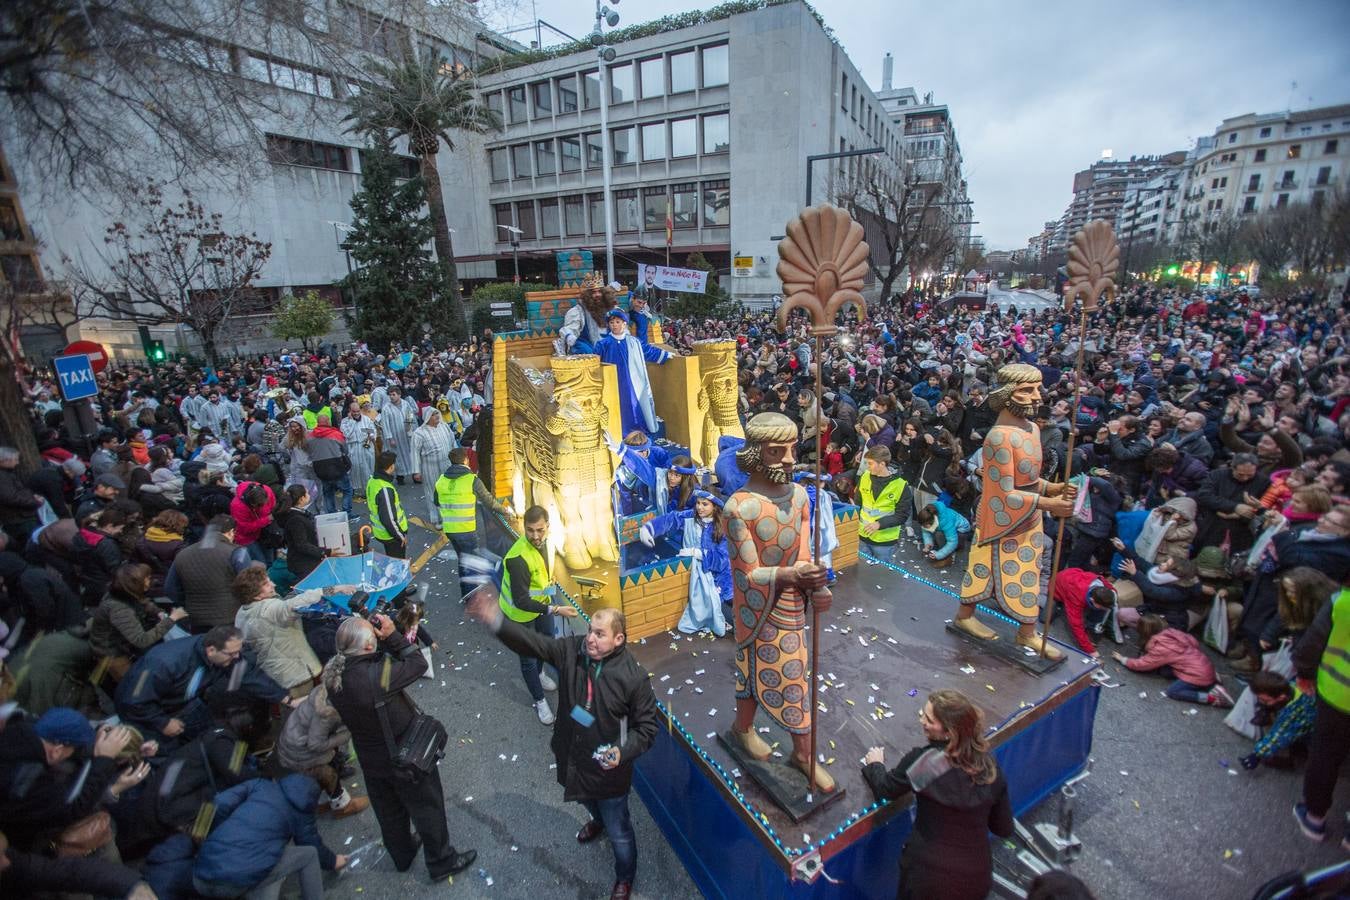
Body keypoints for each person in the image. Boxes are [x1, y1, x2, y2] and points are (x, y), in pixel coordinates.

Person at [466, 597, 657, 900]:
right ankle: (597, 822)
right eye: (591, 630)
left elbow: (647, 729)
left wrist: (622, 752)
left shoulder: (634, 678)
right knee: (587, 802)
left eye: (600, 634)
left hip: (610, 772)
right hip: (574, 756)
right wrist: (497, 621)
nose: (590, 639)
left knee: (619, 830)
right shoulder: (572, 651)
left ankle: (624, 877)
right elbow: (531, 643)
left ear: (619, 639)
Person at [322, 615, 477, 882]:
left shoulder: (335, 675)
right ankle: (441, 862)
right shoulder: (377, 677)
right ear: (369, 646)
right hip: (404, 759)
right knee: (428, 810)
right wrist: (392, 635)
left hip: (372, 762)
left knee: (390, 813)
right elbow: (417, 663)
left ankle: (402, 854)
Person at [724, 412, 833, 791]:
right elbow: (748, 573)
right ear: (755, 455)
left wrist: (816, 583)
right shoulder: (738, 507)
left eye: (792, 449)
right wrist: (793, 576)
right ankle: (800, 750)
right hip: (757, 605)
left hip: (789, 600)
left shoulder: (800, 496)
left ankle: (745, 728)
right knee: (788, 679)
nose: (789, 459)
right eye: (777, 451)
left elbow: (802, 554)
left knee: (770, 672)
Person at [955, 364, 1076, 660]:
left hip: (1028, 515)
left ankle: (1027, 632)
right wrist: (1049, 504)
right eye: (1027, 391)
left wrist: (1051, 489)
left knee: (1027, 574)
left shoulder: (1034, 429)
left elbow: (1029, 480)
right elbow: (1003, 491)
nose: (1037, 397)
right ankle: (965, 616)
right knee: (982, 568)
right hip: (999, 516)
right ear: (1007, 394)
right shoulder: (998, 437)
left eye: (1037, 389)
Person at [861, 689, 1014, 900]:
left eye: (929, 719)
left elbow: (885, 790)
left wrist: (875, 764)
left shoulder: (925, 763)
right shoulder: (989, 768)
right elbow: (1003, 828)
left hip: (926, 879)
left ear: (949, 731)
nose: (922, 720)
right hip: (975, 877)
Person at [114, 624, 288, 746]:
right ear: (211, 650)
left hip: (185, 702)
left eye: (238, 652)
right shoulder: (163, 664)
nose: (237, 658)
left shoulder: (223, 653)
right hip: (146, 713)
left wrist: (285, 697)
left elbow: (247, 674)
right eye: (232, 654)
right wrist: (162, 722)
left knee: (211, 736)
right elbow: (133, 701)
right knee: (168, 751)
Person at [190, 774, 347, 900]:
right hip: (237, 880)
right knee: (309, 854)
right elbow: (311, 842)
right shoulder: (301, 810)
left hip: (201, 873)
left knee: (263, 860)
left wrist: (222, 832)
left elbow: (220, 802)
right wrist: (333, 861)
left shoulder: (259, 785)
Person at [499, 506, 580, 724]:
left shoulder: (547, 543)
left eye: (540, 530)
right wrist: (556, 608)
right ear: (524, 528)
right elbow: (521, 600)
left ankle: (540, 673)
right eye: (530, 530)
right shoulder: (517, 558)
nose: (535, 536)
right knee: (527, 660)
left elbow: (541, 578)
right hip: (518, 614)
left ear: (548, 527)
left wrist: (551, 591)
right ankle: (540, 700)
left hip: (540, 605)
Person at [232, 563, 355, 701]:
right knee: (303, 713)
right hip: (295, 674)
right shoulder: (269, 609)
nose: (273, 584)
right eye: (266, 584)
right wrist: (331, 590)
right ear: (256, 596)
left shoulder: (242, 613)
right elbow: (292, 605)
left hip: (273, 673)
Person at [1290, 583, 1350, 845]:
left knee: (1325, 755)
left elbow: (1312, 643)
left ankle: (1314, 818)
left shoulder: (1342, 601)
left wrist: (1303, 673)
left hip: (1337, 692)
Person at [639, 490, 732, 635]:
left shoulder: (724, 526)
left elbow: (723, 559)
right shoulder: (690, 517)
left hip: (721, 579)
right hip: (697, 574)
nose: (699, 507)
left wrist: (699, 553)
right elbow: (671, 519)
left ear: (715, 507)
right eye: (698, 503)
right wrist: (649, 528)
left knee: (724, 612)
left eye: (705, 504)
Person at [89, 562, 189, 682]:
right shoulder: (119, 610)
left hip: (122, 644)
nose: (149, 580)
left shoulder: (122, 592)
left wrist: (158, 612)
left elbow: (142, 601)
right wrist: (172, 619)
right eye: (146, 578)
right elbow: (142, 640)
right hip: (112, 653)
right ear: (134, 586)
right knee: (131, 683)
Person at [1110, 614, 1234, 708]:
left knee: (1173, 692)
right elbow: (1194, 643)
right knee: (1165, 670)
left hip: (1198, 674)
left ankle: (1213, 697)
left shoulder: (1160, 647)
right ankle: (1212, 680)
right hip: (1203, 665)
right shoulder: (1173, 633)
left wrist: (1123, 659)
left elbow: (1142, 664)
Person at [163, 515, 252, 632]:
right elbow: (250, 586)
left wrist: (188, 601)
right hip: (230, 617)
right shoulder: (238, 552)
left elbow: (170, 589)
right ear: (231, 532)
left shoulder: (183, 554)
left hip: (196, 619)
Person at [595, 307, 672, 436]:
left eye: (618, 322)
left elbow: (647, 351)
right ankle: (618, 431)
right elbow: (595, 362)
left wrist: (665, 355)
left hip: (631, 381)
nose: (615, 325)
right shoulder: (603, 343)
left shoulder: (634, 342)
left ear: (624, 324)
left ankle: (636, 431)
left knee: (633, 403)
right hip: (612, 383)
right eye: (612, 322)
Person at [1050, 568, 1119, 658]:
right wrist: (1090, 651)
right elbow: (1076, 625)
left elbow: (1113, 591)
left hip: (1073, 575)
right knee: (1046, 617)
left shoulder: (1101, 583)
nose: (1104, 609)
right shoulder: (1076, 596)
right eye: (1101, 605)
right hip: (1057, 587)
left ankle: (1091, 630)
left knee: (1101, 609)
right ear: (1092, 600)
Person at [858, 445, 908, 564]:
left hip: (885, 541)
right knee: (862, 573)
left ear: (882, 464)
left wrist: (879, 524)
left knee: (882, 576)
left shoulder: (901, 485)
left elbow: (902, 515)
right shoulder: (864, 477)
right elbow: (858, 503)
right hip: (863, 536)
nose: (867, 467)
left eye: (870, 463)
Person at [410, 406, 456, 526]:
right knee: (433, 492)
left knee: (449, 491)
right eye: (433, 414)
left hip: (447, 465)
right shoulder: (419, 433)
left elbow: (452, 442)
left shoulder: (444, 426)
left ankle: (450, 515)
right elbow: (414, 452)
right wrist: (416, 471)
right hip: (430, 468)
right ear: (427, 417)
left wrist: (457, 460)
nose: (436, 416)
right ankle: (437, 519)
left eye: (437, 414)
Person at [307, 413, 353, 515]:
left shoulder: (310, 436)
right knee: (347, 490)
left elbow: (308, 450)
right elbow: (345, 450)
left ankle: (331, 513)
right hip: (337, 467)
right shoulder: (336, 434)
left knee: (328, 492)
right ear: (328, 421)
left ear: (318, 423)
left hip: (320, 469)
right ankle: (347, 513)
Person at [277, 483, 326, 580]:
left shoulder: (296, 513)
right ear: (301, 499)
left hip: (304, 560)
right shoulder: (296, 519)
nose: (309, 495)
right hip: (303, 563)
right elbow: (302, 545)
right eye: (307, 493)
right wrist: (324, 552)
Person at [366, 451, 409, 558]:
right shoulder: (385, 489)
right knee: (398, 564)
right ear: (391, 466)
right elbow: (388, 518)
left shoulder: (372, 481)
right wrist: (400, 536)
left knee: (392, 560)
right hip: (391, 535)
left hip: (381, 533)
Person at [376, 386, 418, 484]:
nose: (391, 397)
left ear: (399, 395)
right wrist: (390, 438)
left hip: (406, 434)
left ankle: (414, 475)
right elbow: (385, 424)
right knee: (398, 457)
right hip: (395, 436)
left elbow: (410, 414)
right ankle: (400, 477)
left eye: (393, 394)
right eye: (390, 395)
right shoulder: (386, 408)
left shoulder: (405, 404)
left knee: (410, 455)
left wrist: (410, 424)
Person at [915, 500, 971, 569]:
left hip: (962, 530)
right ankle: (945, 549)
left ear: (932, 522)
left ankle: (949, 558)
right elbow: (925, 530)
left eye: (925, 525)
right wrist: (928, 544)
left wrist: (939, 555)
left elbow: (952, 542)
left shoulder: (946, 521)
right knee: (939, 535)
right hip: (948, 526)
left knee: (939, 535)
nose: (924, 527)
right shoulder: (929, 515)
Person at [341, 400, 379, 497]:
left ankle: (368, 489)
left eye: (358, 411)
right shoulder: (345, 422)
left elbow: (372, 430)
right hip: (353, 448)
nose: (357, 413)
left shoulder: (366, 419)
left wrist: (371, 435)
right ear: (350, 411)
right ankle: (353, 489)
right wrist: (352, 422)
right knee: (354, 469)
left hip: (365, 447)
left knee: (367, 469)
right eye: (354, 411)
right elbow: (347, 434)